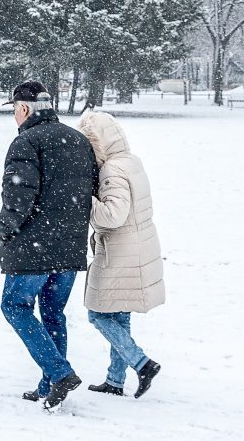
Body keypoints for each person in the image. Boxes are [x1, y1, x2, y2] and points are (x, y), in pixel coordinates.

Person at [0, 80, 100, 410]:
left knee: (15, 307)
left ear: (24, 109)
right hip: (68, 249)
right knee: (53, 313)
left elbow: (18, 197)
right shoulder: (78, 140)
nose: (14, 115)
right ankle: (48, 384)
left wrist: (3, 227)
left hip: (34, 248)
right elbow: (90, 191)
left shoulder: (26, 142)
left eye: (14, 109)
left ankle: (58, 373)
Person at [76, 110, 164, 399]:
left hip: (120, 250)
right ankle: (115, 381)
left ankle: (142, 363)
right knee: (120, 314)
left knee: (98, 314)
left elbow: (113, 216)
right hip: (139, 245)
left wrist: (83, 198)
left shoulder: (111, 170)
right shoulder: (131, 162)